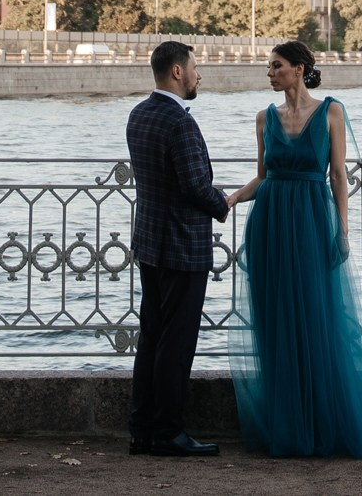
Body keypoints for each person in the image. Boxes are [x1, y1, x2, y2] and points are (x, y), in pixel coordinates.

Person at [224, 40, 362, 459]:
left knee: (317, 317)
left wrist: (341, 231)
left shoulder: (331, 112)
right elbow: (262, 178)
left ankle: (324, 423)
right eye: (268, 67)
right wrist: (229, 200)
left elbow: (339, 177)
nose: (269, 73)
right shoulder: (263, 118)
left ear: (300, 68)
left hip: (310, 224)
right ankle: (288, 424)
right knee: (276, 322)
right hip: (269, 225)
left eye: (276, 66)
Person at [126, 41, 230, 457]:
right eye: (194, 67)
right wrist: (222, 203)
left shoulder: (140, 114)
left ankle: (142, 430)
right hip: (182, 246)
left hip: (149, 242)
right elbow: (194, 185)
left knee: (151, 336)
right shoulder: (181, 123)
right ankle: (169, 432)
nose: (198, 74)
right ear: (176, 72)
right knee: (177, 341)